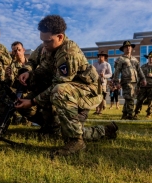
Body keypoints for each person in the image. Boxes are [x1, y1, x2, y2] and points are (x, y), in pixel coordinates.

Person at [15, 15, 118, 157]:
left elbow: (57, 86)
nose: (44, 45)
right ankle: (51, 127)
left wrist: (32, 101)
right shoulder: (46, 44)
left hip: (87, 92)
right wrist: (26, 71)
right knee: (35, 79)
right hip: (66, 90)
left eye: (48, 41)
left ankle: (76, 141)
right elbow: (32, 61)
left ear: (60, 37)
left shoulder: (69, 53)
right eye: (42, 40)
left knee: (59, 91)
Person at [113, 41, 146, 120]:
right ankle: (130, 115)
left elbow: (139, 70)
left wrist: (143, 78)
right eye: (126, 47)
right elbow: (117, 72)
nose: (128, 48)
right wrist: (116, 82)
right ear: (123, 49)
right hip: (126, 81)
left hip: (135, 81)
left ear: (131, 48)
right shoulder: (120, 59)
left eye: (130, 47)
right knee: (130, 98)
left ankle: (124, 115)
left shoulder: (135, 59)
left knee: (129, 97)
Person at [5, 41, 31, 125]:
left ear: (23, 50)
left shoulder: (31, 64)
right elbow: (10, 84)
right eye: (14, 51)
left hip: (30, 93)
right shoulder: (11, 66)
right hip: (18, 94)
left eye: (19, 50)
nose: (17, 53)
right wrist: (8, 76)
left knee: (28, 121)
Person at [134, 51, 152, 119]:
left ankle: (149, 113)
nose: (151, 58)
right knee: (139, 100)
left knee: (151, 102)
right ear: (148, 58)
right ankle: (136, 113)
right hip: (143, 87)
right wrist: (137, 87)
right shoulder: (143, 66)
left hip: (151, 87)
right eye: (149, 57)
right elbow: (139, 77)